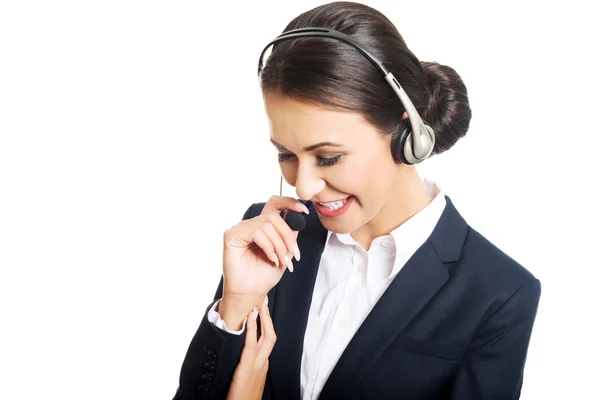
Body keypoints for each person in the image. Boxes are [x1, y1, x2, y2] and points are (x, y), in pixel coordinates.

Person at [172, 2, 541, 399]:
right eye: (286, 155)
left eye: (328, 157)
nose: (305, 187)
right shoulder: (272, 238)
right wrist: (236, 307)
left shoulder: (497, 292)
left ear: (407, 135)